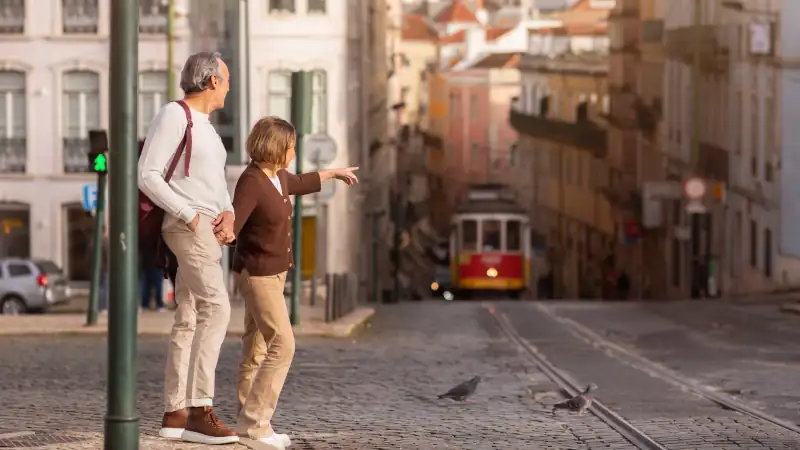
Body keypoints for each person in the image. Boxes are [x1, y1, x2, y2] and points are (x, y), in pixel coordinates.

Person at [231, 116, 358, 448]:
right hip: (258, 275)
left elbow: (301, 181)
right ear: (276, 147)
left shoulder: (277, 178)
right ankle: (255, 425)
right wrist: (222, 228)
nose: (293, 152)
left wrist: (334, 173)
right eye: (291, 147)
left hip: (274, 273)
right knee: (283, 344)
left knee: (256, 348)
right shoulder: (252, 182)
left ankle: (249, 419)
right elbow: (234, 223)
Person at [138, 51, 238, 445]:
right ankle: (200, 408)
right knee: (218, 307)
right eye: (226, 80)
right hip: (187, 225)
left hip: (209, 229)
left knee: (191, 315)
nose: (229, 87)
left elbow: (215, 186)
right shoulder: (174, 115)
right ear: (212, 81)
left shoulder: (209, 129)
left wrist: (228, 214)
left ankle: (175, 413)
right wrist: (190, 215)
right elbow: (147, 174)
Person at [140, 245, 165, 311]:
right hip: (149, 264)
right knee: (147, 286)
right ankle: (155, 304)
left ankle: (149, 305)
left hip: (153, 264)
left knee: (149, 286)